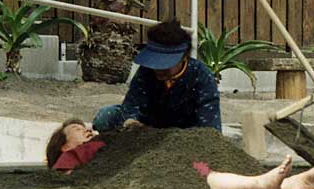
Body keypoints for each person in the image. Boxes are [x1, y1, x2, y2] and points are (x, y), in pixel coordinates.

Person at [45, 119, 314, 189]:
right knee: (206, 176)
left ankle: (289, 185)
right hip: (152, 171)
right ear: (63, 145)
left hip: (163, 154)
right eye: (75, 130)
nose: (84, 129)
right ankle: (263, 185)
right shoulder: (70, 157)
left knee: (206, 167)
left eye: (84, 127)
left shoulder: (107, 139)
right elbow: (64, 175)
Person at [92, 19, 221, 132]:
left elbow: (210, 125)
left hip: (186, 132)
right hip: (149, 128)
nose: (158, 69)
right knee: (105, 117)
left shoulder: (201, 76)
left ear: (183, 57)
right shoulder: (145, 71)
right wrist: (132, 122)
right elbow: (132, 104)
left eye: (165, 65)